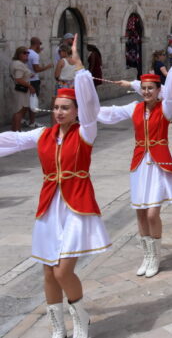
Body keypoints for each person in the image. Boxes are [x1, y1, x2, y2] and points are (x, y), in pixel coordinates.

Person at [0, 35, 106, 338]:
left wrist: (80, 67)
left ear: (75, 112)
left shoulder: (86, 132)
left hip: (77, 205)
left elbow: (90, 105)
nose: (59, 112)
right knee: (47, 270)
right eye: (56, 107)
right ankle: (58, 328)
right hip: (49, 207)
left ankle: (81, 318)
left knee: (62, 270)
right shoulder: (43, 136)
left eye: (65, 108)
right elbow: (13, 140)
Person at [97, 32, 172, 279]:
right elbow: (108, 114)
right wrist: (82, 106)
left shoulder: (165, 107)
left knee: (151, 212)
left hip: (158, 164)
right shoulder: (134, 108)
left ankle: (155, 255)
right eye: (144, 89)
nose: (147, 92)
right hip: (139, 164)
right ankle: (146, 255)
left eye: (151, 89)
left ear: (158, 90)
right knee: (139, 211)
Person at [26, 37, 53, 128]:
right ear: (37, 44)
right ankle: (32, 122)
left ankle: (29, 120)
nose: (40, 46)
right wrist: (47, 67)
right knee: (33, 101)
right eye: (39, 44)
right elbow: (36, 69)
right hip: (33, 81)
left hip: (26, 80)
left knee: (27, 101)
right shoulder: (35, 55)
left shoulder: (26, 52)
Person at [10, 47, 35, 132]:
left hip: (20, 90)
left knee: (18, 111)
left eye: (28, 53)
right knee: (19, 111)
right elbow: (18, 78)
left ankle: (14, 131)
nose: (27, 54)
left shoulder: (18, 63)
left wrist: (29, 75)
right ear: (19, 54)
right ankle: (17, 132)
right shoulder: (18, 64)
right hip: (21, 90)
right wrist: (30, 86)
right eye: (24, 53)